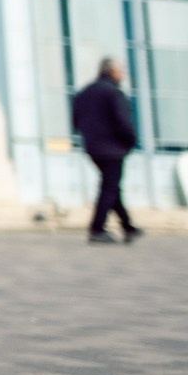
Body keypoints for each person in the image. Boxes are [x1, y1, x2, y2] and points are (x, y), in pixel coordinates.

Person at [72, 57, 142, 244]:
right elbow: (123, 122)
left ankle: (128, 226)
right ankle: (97, 229)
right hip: (113, 149)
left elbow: (75, 120)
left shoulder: (85, 93)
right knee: (109, 188)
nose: (123, 75)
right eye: (121, 71)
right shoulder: (113, 93)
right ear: (113, 72)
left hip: (93, 147)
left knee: (111, 187)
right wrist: (131, 141)